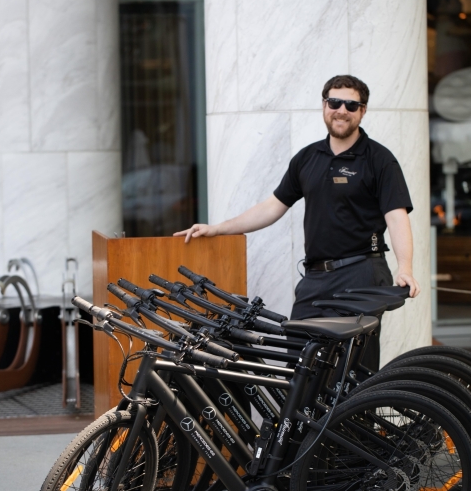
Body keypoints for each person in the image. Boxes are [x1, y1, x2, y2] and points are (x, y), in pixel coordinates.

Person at [174, 75, 420, 368]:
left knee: (351, 370)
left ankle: (357, 416)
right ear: (324, 105)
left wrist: (405, 267)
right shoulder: (307, 158)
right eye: (335, 102)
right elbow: (271, 207)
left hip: (362, 274)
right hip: (315, 279)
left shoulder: (379, 159)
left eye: (351, 105)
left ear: (362, 111)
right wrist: (216, 229)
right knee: (299, 362)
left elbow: (396, 215)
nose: (342, 110)